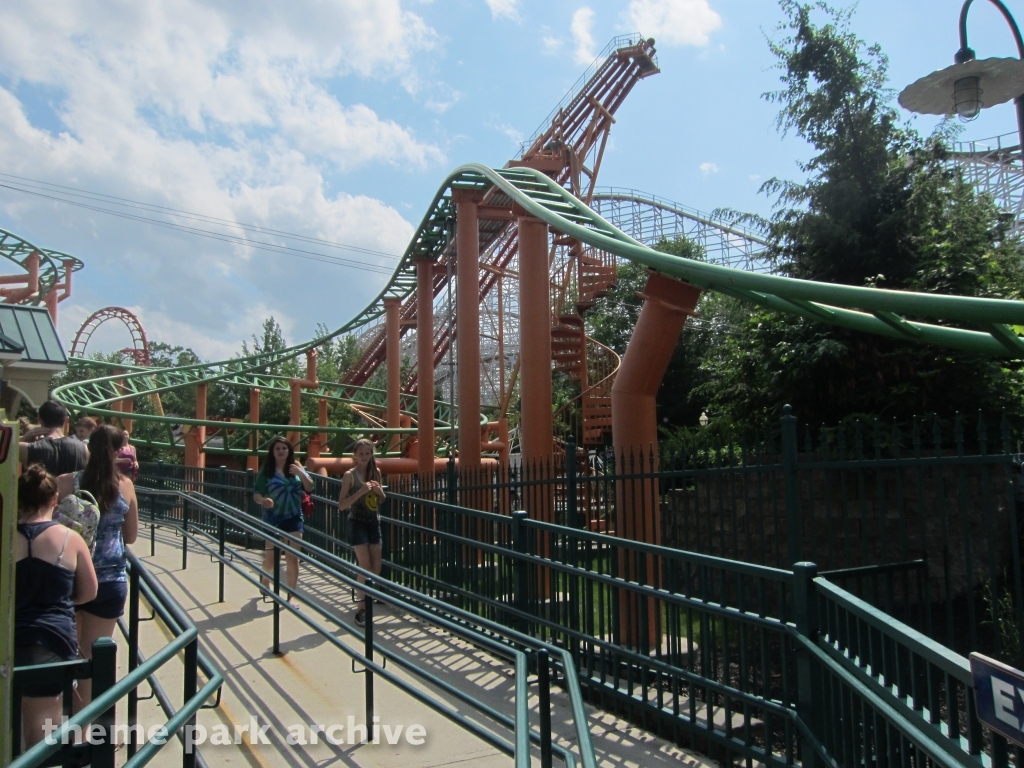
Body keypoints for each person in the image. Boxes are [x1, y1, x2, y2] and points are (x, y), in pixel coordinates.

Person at [57, 424, 138, 714]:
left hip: (71, 576)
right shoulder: (125, 486)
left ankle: (59, 720)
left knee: (68, 653)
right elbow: (130, 537)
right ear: (118, 451)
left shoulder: (66, 482)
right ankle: (91, 733)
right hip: (110, 578)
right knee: (96, 657)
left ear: (88, 446)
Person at [15, 464, 98, 747]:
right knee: (41, 735)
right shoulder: (69, 539)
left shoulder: (5, 538)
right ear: (54, 500)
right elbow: (89, 591)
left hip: (10, 637)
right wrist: (61, 601)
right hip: (51, 639)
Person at [253, 436, 312, 609]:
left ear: (289, 451)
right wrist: (263, 500)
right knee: (272, 560)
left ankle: (291, 596)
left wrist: (301, 473)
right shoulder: (267, 471)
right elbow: (256, 493)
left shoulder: (296, 467)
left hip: (294, 517)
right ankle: (265, 576)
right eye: (277, 448)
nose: (281, 451)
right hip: (273, 517)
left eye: (284, 448)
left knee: (293, 558)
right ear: (273, 451)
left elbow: (310, 487)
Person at [336, 438, 386, 627]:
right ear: (355, 456)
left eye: (367, 453)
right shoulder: (350, 475)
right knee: (364, 566)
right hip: (357, 522)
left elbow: (381, 499)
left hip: (373, 522)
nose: (364, 457)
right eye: (361, 454)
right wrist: (361, 492)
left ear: (371, 454)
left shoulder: (376, 472)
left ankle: (364, 597)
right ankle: (361, 610)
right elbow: (341, 505)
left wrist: (379, 491)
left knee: (376, 567)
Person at [19, 400, 88, 475]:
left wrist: (25, 437)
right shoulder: (84, 449)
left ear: (40, 420)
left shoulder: (27, 448)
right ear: (66, 420)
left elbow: (6, 448)